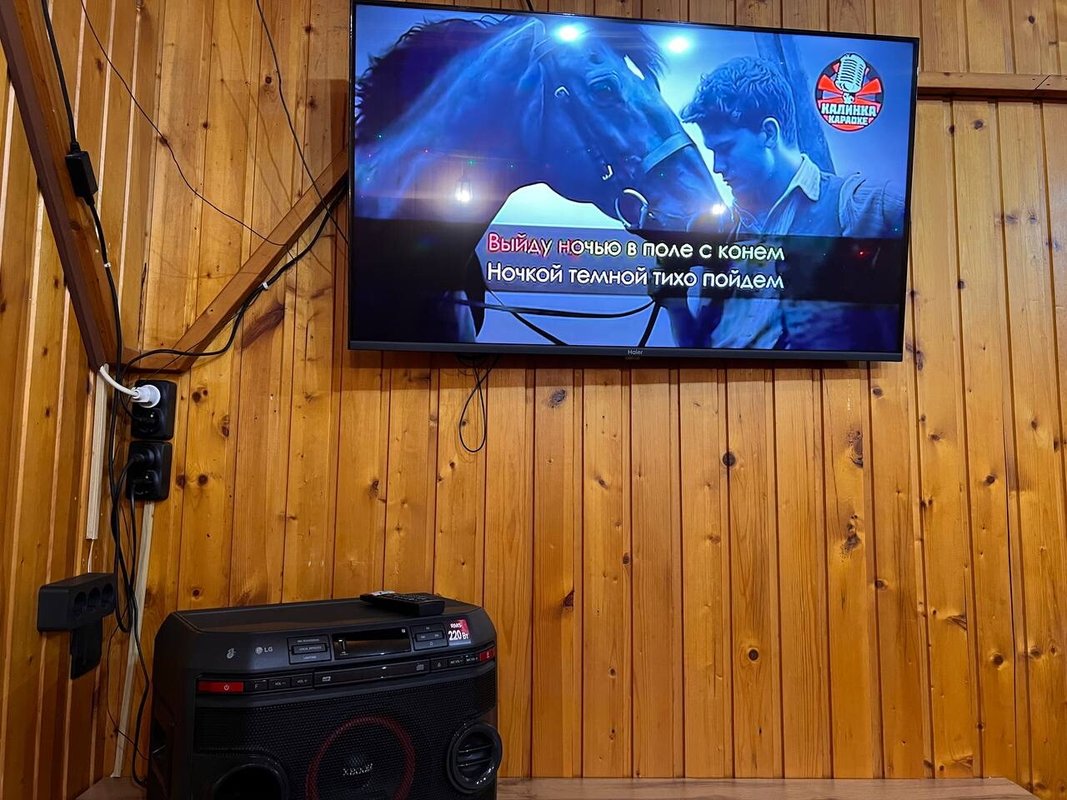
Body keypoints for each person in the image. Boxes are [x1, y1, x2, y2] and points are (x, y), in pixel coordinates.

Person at [655, 56, 905, 351]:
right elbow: (700, 352)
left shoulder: (861, 205)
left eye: (726, 148)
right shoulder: (721, 230)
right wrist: (675, 303)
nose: (717, 166)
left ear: (769, 133)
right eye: (712, 152)